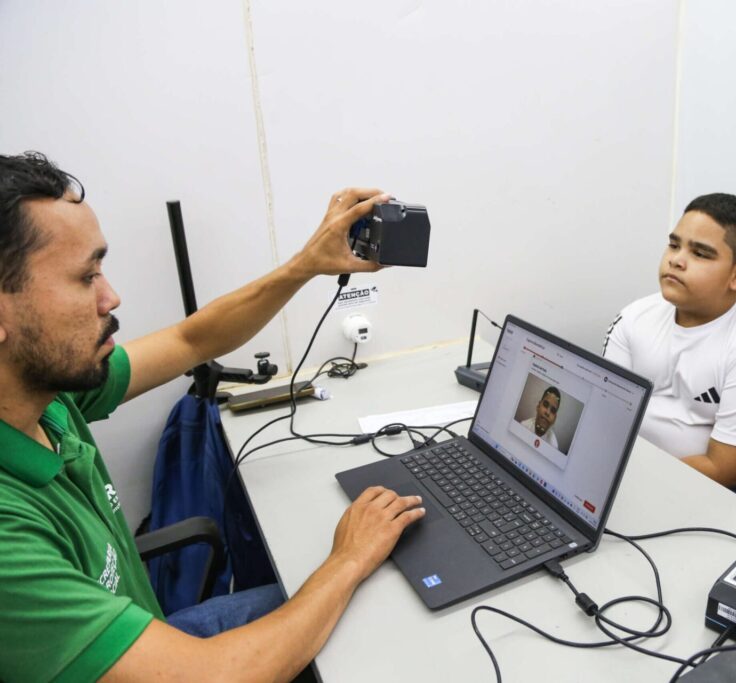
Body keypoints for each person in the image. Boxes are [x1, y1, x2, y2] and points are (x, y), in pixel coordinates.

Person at [0, 152, 426, 682]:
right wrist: (348, 557)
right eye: (85, 277)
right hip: (194, 669)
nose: (111, 297)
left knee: (385, 597)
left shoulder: (45, 396)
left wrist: (307, 263)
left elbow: (192, 338)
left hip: (153, 639)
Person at [603, 193, 736, 511]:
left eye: (701, 253)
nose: (676, 260)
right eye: (674, 244)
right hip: (633, 468)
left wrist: (629, 479)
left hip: (733, 492)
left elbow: (726, 468)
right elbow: (606, 411)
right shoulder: (635, 317)